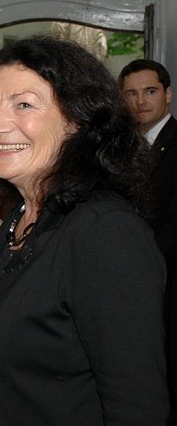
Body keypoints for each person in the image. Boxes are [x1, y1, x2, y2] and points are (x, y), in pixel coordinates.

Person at [0, 36, 169, 425]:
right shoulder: (23, 216)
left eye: (24, 104)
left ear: (76, 120)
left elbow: (137, 407)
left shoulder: (106, 232)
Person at [120, 58, 177, 423]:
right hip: (131, 282)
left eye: (150, 92)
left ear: (168, 94)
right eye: (131, 94)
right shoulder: (123, 150)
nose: (140, 102)